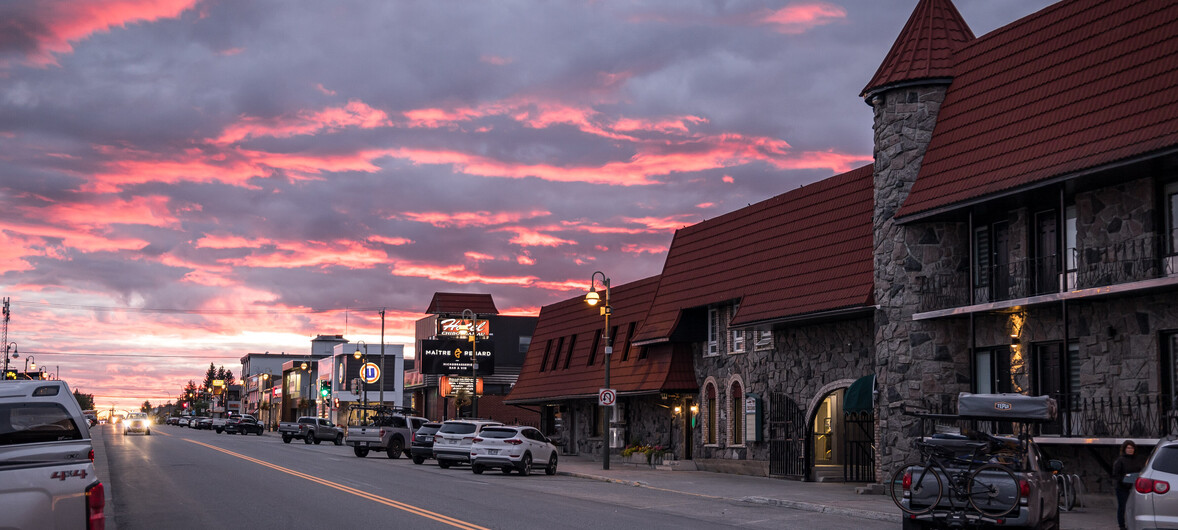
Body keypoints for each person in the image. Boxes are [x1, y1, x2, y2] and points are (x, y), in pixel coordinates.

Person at [1113, 440, 1144, 530]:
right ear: (1124, 449)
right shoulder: (1120, 461)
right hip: (1122, 487)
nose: (1130, 450)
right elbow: (1116, 474)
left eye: (1132, 448)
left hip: (1134, 487)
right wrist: (1124, 481)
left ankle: (1133, 524)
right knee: (1123, 507)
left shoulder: (1137, 460)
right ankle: (1122, 525)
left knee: (1134, 507)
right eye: (1128, 448)